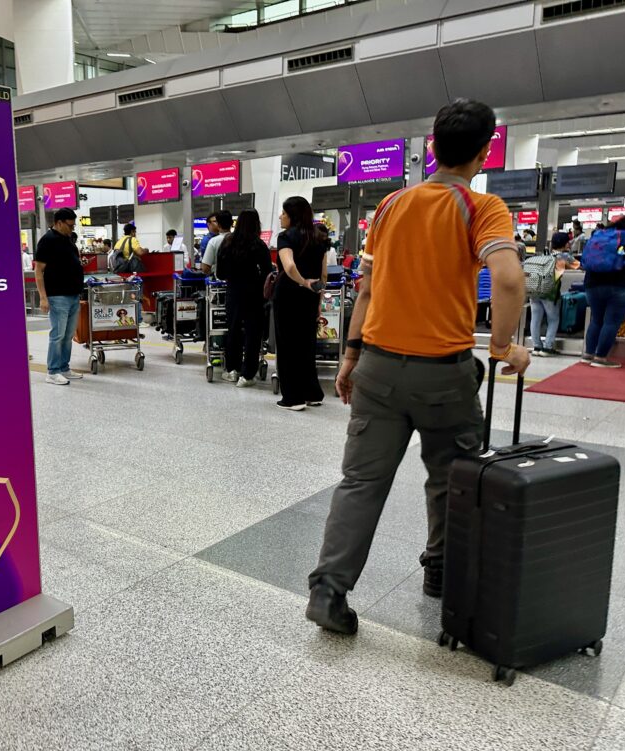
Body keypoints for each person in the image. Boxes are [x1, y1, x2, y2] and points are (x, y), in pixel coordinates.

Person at [304, 99, 531, 636]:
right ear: (483, 152)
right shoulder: (483, 208)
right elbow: (510, 279)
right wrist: (503, 347)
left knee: (359, 483)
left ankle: (329, 592)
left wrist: (352, 356)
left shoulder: (390, 207)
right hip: (443, 376)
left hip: (377, 369)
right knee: (451, 478)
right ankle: (440, 569)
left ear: (431, 146)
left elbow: (366, 288)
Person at [272, 197, 327, 410]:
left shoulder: (286, 237)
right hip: (310, 296)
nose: (280, 217)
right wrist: (317, 297)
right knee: (306, 344)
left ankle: (293, 398)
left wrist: (302, 282)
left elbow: (289, 266)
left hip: (288, 294)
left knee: (287, 345)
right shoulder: (319, 238)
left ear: (292, 216)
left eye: (283, 213)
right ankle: (312, 393)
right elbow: (323, 274)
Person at [215, 209, 273, 387]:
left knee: (233, 330)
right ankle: (248, 375)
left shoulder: (228, 242)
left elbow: (220, 273)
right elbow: (267, 273)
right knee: (252, 333)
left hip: (233, 292)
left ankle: (232, 370)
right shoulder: (259, 245)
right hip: (254, 294)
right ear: (257, 224)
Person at [34, 208, 85, 386]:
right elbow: (38, 270)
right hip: (57, 296)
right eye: (70, 225)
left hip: (73, 295)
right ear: (59, 222)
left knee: (68, 335)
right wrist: (43, 297)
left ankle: (64, 367)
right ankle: (53, 371)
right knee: (57, 335)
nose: (72, 229)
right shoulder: (47, 241)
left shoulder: (68, 240)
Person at [582, 215, 625, 369]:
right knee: (611, 322)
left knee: (596, 320)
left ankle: (588, 354)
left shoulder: (601, 234)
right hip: (620, 285)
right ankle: (601, 357)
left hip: (592, 284)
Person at [529, 232, 574, 357]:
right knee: (553, 319)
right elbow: (579, 266)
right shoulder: (564, 256)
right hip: (550, 293)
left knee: (535, 319)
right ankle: (548, 348)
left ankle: (537, 347)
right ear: (565, 243)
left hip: (534, 291)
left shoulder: (543, 255)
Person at [201, 210, 233, 276]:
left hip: (219, 282)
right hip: (238, 282)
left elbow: (205, 268)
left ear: (218, 224)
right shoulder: (240, 239)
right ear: (232, 223)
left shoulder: (213, 241)